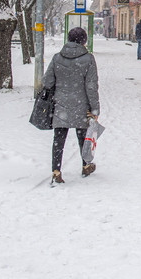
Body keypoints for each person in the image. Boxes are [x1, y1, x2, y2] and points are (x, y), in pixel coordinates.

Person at [42, 27, 100, 184]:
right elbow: (91, 86)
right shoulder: (88, 59)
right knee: (83, 138)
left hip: (60, 105)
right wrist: (95, 108)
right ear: (83, 41)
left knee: (58, 140)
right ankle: (85, 165)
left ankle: (56, 171)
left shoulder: (56, 58)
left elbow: (47, 82)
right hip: (82, 106)